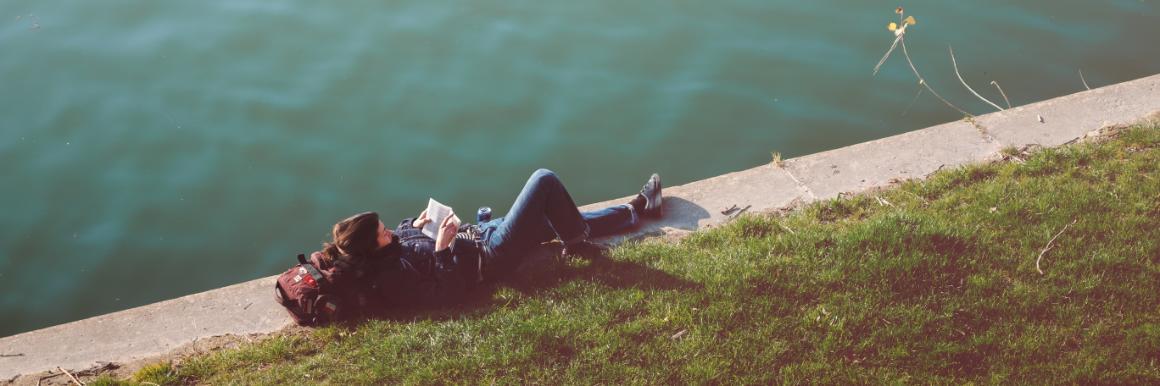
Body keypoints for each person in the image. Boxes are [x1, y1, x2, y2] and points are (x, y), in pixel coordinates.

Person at [315, 169, 663, 308]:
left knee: (554, 217)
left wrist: (417, 223)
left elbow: (402, 239)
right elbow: (446, 295)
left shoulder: (388, 250)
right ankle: (578, 243)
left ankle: (635, 210)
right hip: (490, 256)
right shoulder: (392, 278)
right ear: (370, 247)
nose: (389, 230)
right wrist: (440, 250)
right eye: (382, 232)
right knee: (543, 181)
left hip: (478, 235)